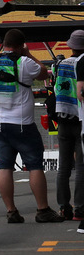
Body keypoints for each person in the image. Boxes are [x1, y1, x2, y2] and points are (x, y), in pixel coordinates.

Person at [0, 29, 62, 224]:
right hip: (23, 125)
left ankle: (11, 211)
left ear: (3, 45)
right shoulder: (24, 63)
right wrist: (29, 54)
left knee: (5, 167)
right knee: (35, 166)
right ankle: (43, 210)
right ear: (21, 45)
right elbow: (43, 72)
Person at [53, 29, 84, 221]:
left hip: (62, 117)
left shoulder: (61, 64)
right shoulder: (82, 63)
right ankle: (80, 208)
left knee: (63, 166)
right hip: (80, 117)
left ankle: (64, 207)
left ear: (71, 46)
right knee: (81, 165)